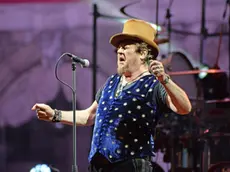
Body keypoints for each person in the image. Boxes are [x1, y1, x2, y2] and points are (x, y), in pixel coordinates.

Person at [32, 19, 191, 172]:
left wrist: (165, 80)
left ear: (142, 53)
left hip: (131, 166)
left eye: (125, 46)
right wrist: (55, 115)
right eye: (119, 47)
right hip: (100, 166)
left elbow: (184, 107)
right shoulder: (111, 82)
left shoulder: (153, 84)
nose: (119, 50)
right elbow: (89, 116)